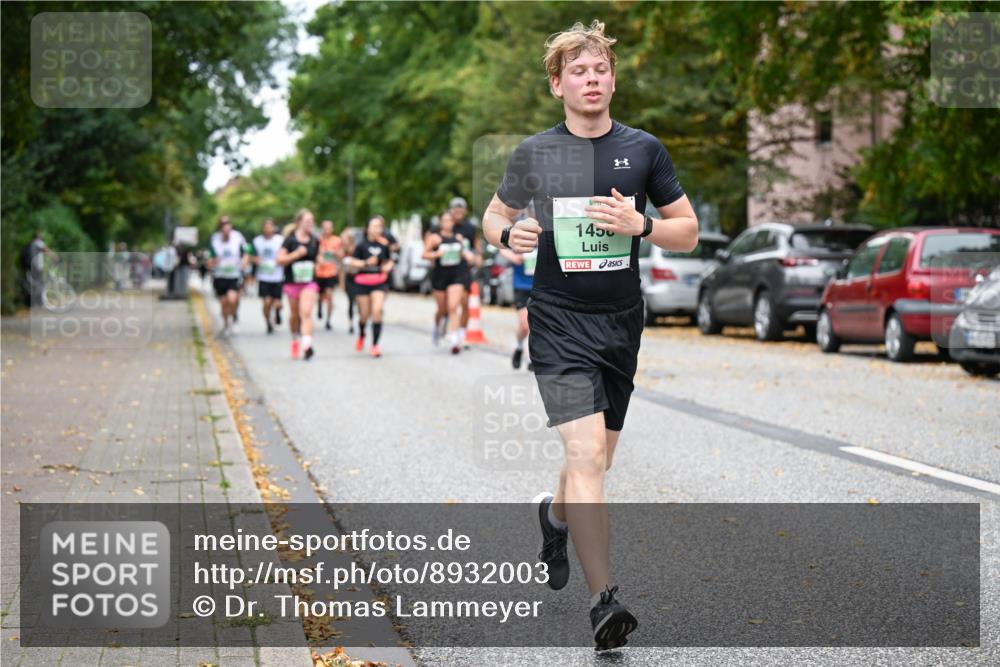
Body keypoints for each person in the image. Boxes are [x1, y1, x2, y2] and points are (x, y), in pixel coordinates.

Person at [481, 20, 699, 650]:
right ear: (558, 85)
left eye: (600, 68)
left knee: (595, 460)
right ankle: (604, 602)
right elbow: (496, 215)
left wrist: (643, 224)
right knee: (584, 460)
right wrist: (507, 235)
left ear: (612, 79)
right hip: (556, 320)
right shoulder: (534, 154)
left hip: (620, 322)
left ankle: (553, 518)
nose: (593, 78)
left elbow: (686, 229)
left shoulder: (645, 150)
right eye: (579, 70)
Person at [424, 210, 475, 354]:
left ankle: (455, 340)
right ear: (440, 223)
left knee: (453, 306)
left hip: (457, 274)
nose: (448, 223)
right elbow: (424, 254)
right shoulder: (435, 238)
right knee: (442, 309)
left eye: (450, 221)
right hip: (440, 275)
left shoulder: (458, 237)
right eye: (445, 221)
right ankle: (436, 325)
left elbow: (465, 253)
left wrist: (468, 256)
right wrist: (436, 254)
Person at [349, 215, 394, 358]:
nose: (376, 229)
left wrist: (388, 267)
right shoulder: (361, 245)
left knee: (377, 310)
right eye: (373, 226)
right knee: (364, 315)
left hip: (379, 281)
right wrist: (366, 263)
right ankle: (362, 333)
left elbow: (389, 261)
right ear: (367, 228)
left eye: (379, 226)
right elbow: (352, 262)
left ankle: (375, 345)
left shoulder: (384, 245)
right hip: (362, 282)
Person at [277, 209, 320, 360]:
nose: (311, 224)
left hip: (309, 282)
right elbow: (279, 260)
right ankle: (295, 339)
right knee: (295, 315)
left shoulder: (315, 240)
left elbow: (318, 258)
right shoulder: (290, 240)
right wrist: (296, 254)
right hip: (292, 282)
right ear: (299, 222)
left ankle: (307, 345)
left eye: (312, 221)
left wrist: (320, 263)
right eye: (308, 221)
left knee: (306, 312)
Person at [498, 227, 536, 370]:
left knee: (537, 325)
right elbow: (501, 246)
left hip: (539, 287)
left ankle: (532, 358)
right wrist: (513, 257)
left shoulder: (544, 237)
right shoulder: (520, 234)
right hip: (521, 287)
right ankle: (519, 347)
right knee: (525, 326)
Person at [448, 196, 481, 348]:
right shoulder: (446, 226)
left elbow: (476, 243)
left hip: (464, 269)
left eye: (461, 211)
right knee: (448, 305)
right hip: (447, 270)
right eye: (456, 211)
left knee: (464, 303)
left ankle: (460, 333)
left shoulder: (469, 227)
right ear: (451, 211)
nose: (458, 213)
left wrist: (478, 256)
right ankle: (444, 322)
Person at [207, 216, 248, 335]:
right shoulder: (214, 239)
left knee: (232, 299)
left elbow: (246, 251)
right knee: (224, 302)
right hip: (220, 275)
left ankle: (234, 317)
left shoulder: (238, 237)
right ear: (220, 228)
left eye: (228, 227)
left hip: (234, 275)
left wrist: (244, 261)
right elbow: (211, 256)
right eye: (223, 227)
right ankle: (226, 324)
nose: (226, 231)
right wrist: (211, 262)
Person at [252, 218, 285, 334]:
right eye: (265, 227)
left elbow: (285, 254)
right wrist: (259, 261)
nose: (268, 229)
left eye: (270, 227)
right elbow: (252, 256)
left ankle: (277, 313)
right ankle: (268, 322)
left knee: (278, 304)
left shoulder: (280, 240)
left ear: (274, 228)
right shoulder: (257, 241)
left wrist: (279, 260)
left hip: (277, 276)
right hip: (263, 276)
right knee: (266, 302)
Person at [315, 219, 344, 331]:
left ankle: (328, 320)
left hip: (331, 272)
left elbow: (341, 255)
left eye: (329, 228)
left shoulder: (337, 240)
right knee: (320, 295)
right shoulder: (318, 240)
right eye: (325, 228)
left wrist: (335, 253)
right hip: (319, 272)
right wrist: (319, 257)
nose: (327, 230)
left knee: (330, 295)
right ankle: (319, 306)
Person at [341, 229, 360, 334]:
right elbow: (342, 268)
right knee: (351, 301)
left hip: (357, 277)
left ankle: (359, 318)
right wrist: (342, 282)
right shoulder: (343, 250)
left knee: (358, 300)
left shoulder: (357, 248)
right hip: (349, 278)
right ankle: (351, 323)